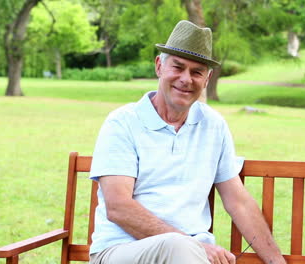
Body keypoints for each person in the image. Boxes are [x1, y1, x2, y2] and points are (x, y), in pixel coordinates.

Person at [89, 20, 287, 264]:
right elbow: (118, 206)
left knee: (181, 249)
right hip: (121, 251)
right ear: (159, 66)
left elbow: (238, 202)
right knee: (178, 247)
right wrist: (192, 245)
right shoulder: (122, 122)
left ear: (207, 79)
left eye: (196, 72)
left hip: (190, 255)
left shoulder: (213, 125)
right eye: (178, 67)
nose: (186, 79)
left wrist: (277, 262)